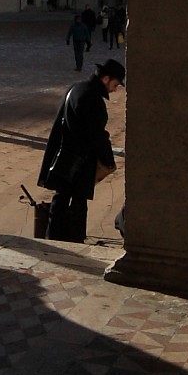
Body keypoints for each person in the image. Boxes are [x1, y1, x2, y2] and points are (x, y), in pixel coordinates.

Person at [37, 59, 124, 241]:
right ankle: (74, 241)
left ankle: (54, 237)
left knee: (60, 199)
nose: (115, 89)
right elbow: (96, 135)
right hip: (79, 159)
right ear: (106, 78)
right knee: (78, 203)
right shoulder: (92, 97)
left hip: (63, 155)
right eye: (115, 84)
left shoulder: (76, 88)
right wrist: (108, 161)